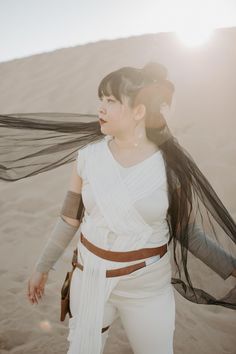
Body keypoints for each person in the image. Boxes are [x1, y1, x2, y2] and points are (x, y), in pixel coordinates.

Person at [25, 62, 236, 354]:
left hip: (146, 288)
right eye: (101, 100)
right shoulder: (86, 158)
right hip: (90, 277)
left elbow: (187, 232)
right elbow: (69, 219)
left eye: (111, 101)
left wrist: (233, 268)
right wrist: (42, 267)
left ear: (139, 111)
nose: (101, 109)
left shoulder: (171, 169)